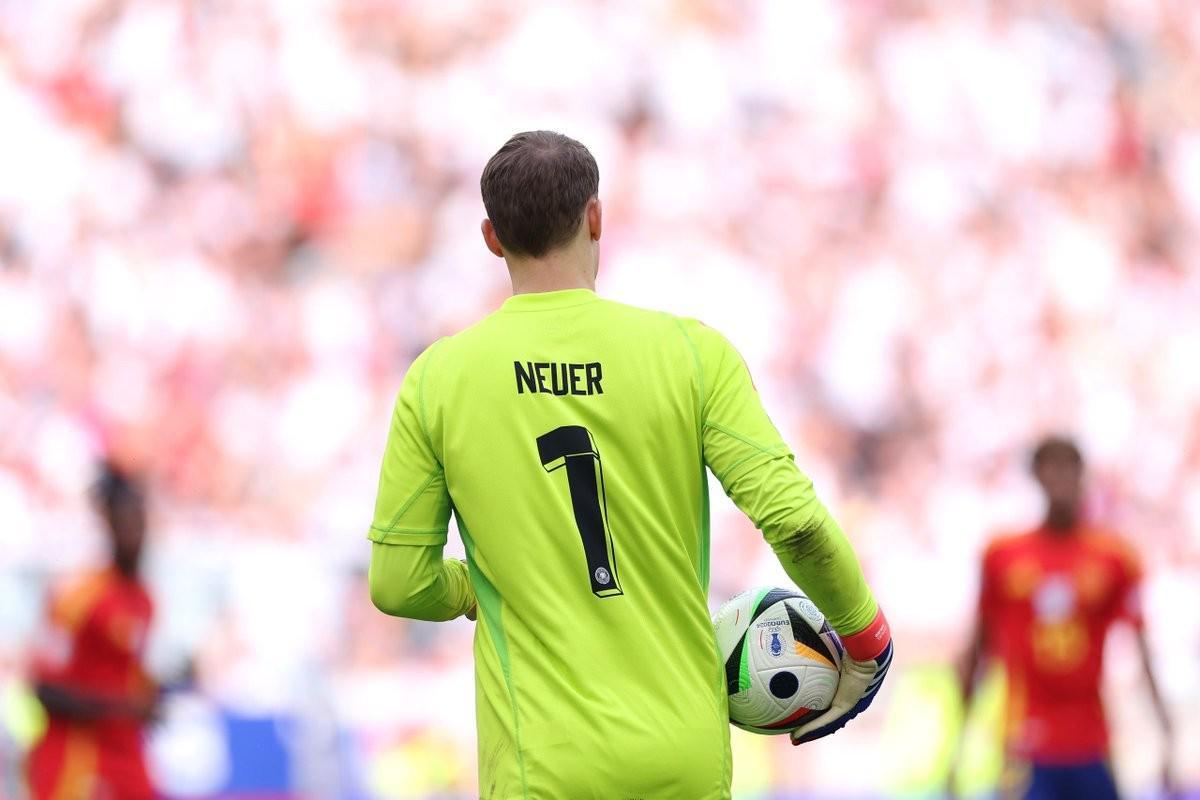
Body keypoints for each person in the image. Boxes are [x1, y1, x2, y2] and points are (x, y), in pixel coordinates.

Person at [366, 130, 892, 799]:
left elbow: (399, 585)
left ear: (492, 237)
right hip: (682, 755)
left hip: (544, 768)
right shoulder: (691, 354)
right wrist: (866, 640)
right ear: (595, 218)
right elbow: (796, 524)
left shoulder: (438, 379)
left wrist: (482, 585)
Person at [952, 437, 1173, 800]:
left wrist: (1165, 730)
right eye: (1050, 467)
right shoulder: (1003, 555)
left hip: (1091, 742)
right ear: (1036, 476)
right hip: (1026, 742)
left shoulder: (1114, 558)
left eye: (1068, 466)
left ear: (1082, 474)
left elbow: (1142, 647)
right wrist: (957, 747)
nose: (1060, 478)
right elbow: (979, 650)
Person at [26, 462, 158, 800]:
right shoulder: (77, 599)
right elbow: (45, 690)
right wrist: (124, 708)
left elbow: (125, 676)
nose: (135, 532)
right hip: (76, 757)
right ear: (108, 525)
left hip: (126, 754)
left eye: (140, 521)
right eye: (125, 522)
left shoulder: (144, 600)